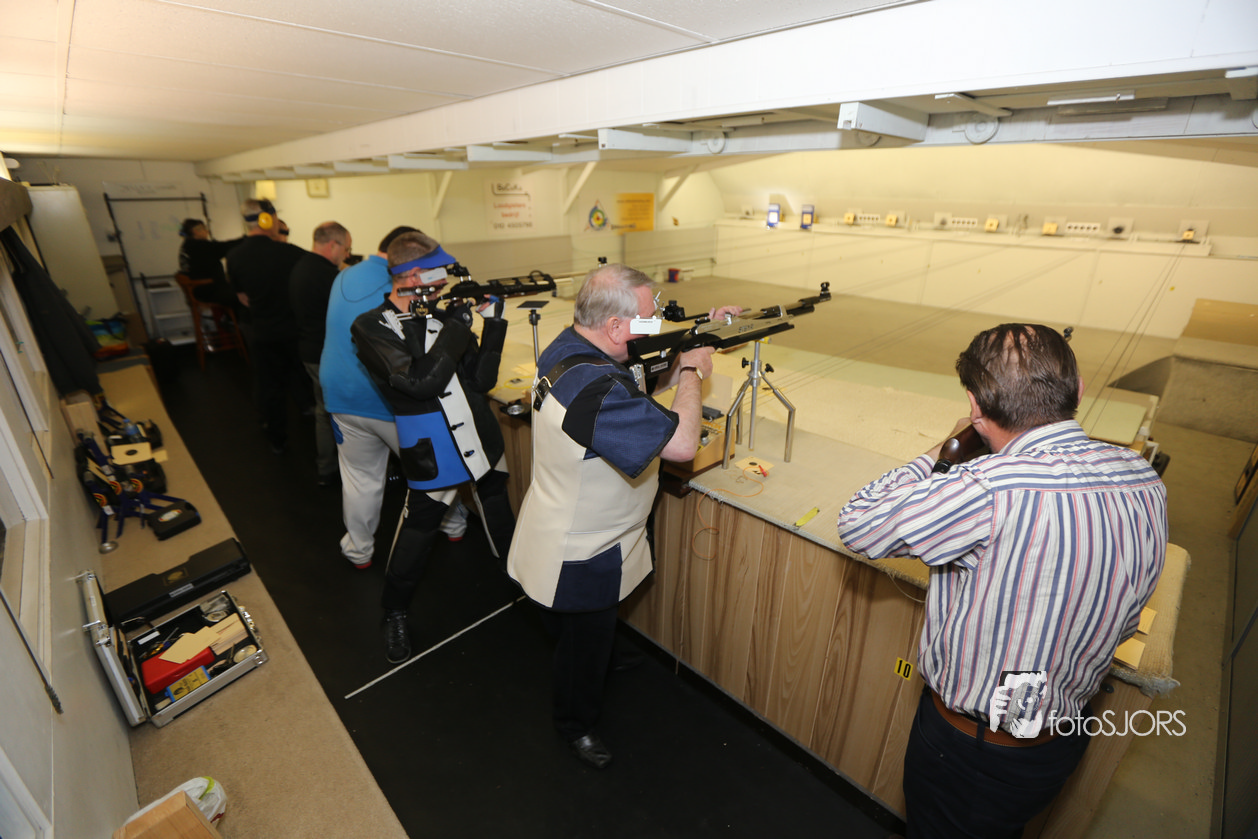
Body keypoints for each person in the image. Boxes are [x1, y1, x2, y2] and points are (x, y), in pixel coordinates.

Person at [836, 323, 1168, 838]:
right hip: (1059, 742)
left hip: (973, 756)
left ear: (975, 405)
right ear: (1078, 390)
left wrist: (945, 452)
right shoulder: (1141, 476)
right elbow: (1123, 618)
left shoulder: (987, 488)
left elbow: (858, 523)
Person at [506, 263, 738, 769]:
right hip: (582, 550)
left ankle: (604, 653)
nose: (653, 327)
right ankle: (575, 726)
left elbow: (639, 368)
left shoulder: (572, 345)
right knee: (580, 651)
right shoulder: (597, 389)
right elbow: (682, 445)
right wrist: (692, 372)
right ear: (614, 326)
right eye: (646, 319)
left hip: (579, 524)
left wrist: (702, 329)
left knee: (591, 632)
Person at [351, 231, 515, 664]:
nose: (444, 284)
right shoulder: (370, 326)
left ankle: (522, 584)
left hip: (479, 435)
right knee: (417, 534)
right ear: (414, 275)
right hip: (432, 448)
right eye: (438, 275)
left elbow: (481, 380)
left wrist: (493, 324)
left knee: (499, 514)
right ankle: (394, 611)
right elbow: (420, 382)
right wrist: (458, 327)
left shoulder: (444, 316)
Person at [320, 226, 468, 572]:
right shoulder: (402, 290)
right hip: (385, 401)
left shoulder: (345, 274)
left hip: (339, 393)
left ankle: (359, 550)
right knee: (435, 474)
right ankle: (454, 525)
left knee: (360, 478)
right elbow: (421, 358)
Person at [225, 198, 311, 453]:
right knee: (306, 380)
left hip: (263, 332)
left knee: (270, 388)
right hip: (295, 332)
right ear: (268, 219)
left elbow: (242, 297)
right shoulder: (292, 253)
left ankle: (277, 440)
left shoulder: (234, 256)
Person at [290, 221, 352, 486]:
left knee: (323, 411)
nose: (346, 255)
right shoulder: (327, 276)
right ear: (333, 245)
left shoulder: (301, 266)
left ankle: (326, 466)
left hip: (308, 349)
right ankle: (337, 469)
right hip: (326, 354)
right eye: (346, 249)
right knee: (336, 414)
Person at [177, 218, 242, 309]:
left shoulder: (187, 246)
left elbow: (218, 247)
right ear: (196, 231)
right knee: (244, 294)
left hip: (200, 289)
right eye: (204, 228)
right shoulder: (198, 246)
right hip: (209, 290)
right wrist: (245, 240)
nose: (207, 231)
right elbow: (223, 247)